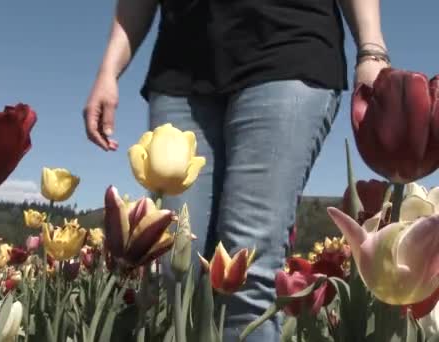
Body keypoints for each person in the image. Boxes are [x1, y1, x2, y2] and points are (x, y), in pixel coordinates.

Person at [83, 0, 388, 340]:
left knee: (247, 267)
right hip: (182, 66)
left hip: (289, 44)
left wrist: (372, 50)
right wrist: (108, 70)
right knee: (175, 268)